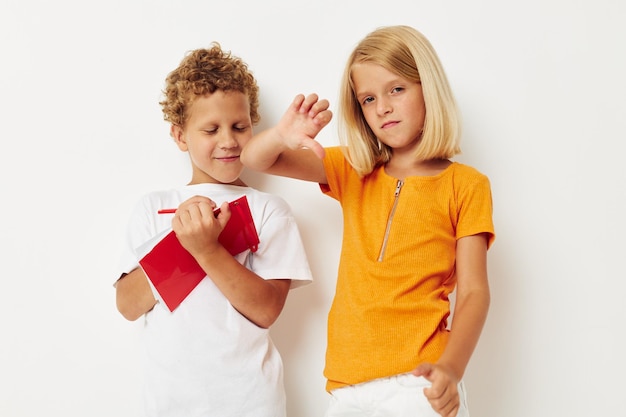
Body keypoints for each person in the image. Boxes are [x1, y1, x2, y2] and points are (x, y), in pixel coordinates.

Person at [241, 25, 495, 417]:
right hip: (347, 387)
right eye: (368, 99)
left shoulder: (466, 185)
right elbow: (256, 159)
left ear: (427, 87)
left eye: (397, 89)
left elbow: (475, 292)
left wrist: (451, 368)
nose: (383, 108)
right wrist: (281, 134)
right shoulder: (354, 169)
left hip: (419, 384)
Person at [115, 43, 317, 417]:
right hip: (169, 403)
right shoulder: (151, 207)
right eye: (211, 129)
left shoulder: (269, 209)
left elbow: (266, 310)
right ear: (179, 136)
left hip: (250, 401)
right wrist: (182, 241)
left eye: (240, 127)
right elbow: (128, 305)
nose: (228, 141)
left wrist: (208, 250)